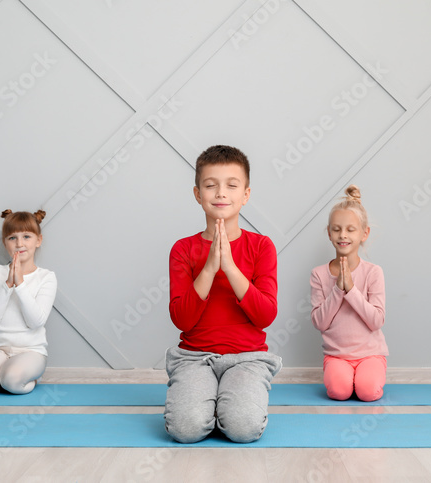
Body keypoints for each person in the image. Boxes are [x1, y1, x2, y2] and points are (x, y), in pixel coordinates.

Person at [164, 145, 281, 443]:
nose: (220, 193)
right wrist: (209, 269)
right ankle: (206, 402)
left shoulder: (262, 246)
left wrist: (229, 267)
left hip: (247, 358)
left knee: (243, 429)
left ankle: (228, 404)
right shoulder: (182, 249)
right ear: (197, 193)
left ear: (246, 194)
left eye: (231, 185)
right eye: (210, 185)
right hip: (195, 358)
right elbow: (182, 320)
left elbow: (265, 315)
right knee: (185, 430)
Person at [0, 209, 57, 395]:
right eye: (12, 238)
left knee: (12, 381)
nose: (19, 244)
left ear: (38, 240)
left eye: (26, 236)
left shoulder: (47, 277)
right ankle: (2, 374)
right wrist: (8, 284)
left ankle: (21, 375)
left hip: (30, 351)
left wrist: (20, 283)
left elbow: (36, 321)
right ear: (5, 243)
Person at [310, 185, 388, 401]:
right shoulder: (318, 274)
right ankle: (347, 377)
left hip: (370, 355)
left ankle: (365, 376)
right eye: (336, 229)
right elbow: (320, 323)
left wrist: (351, 290)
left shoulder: (373, 272)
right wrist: (338, 289)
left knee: (368, 392)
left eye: (350, 230)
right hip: (337, 356)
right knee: (339, 392)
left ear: (364, 233)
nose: (342, 235)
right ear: (329, 233)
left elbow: (376, 321)